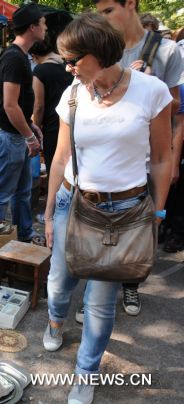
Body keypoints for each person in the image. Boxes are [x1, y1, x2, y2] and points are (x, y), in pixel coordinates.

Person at [42, 13, 172, 404]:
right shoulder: (73, 94)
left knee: (99, 301)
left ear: (98, 54)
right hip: (73, 200)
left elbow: (163, 159)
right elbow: (61, 157)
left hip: (126, 210)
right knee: (60, 279)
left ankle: (86, 372)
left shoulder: (152, 91)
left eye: (73, 60)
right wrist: (48, 214)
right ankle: (55, 321)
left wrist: (158, 212)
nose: (67, 67)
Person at [93, 0, 183, 317]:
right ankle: (96, 298)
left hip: (145, 162)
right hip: (106, 158)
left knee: (137, 235)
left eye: (107, 11)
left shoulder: (167, 51)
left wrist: (142, 84)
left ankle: (131, 288)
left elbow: (176, 111)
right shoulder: (103, 48)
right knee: (99, 234)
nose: (102, 18)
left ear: (129, 4)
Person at [0, 3, 46, 242]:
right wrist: (29, 136)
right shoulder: (14, 58)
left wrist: (30, 126)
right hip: (10, 138)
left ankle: (24, 237)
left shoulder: (20, 56)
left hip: (15, 136)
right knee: (1, 195)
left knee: (22, 192)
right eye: (43, 24)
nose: (46, 29)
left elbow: (17, 103)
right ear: (32, 27)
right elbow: (10, 104)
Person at [30, 38, 73, 193]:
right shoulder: (68, 65)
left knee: (54, 167)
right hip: (71, 123)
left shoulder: (40, 70)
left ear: (34, 56)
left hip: (52, 127)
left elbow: (39, 106)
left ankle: (54, 210)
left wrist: (37, 128)